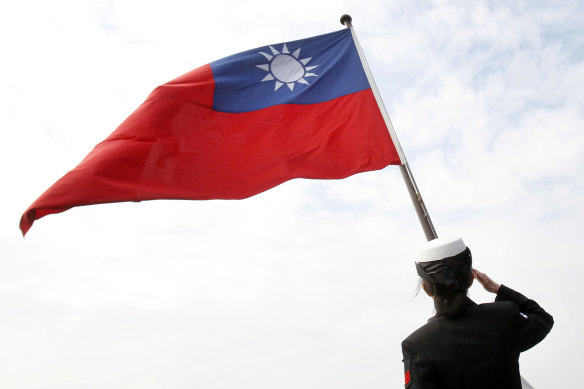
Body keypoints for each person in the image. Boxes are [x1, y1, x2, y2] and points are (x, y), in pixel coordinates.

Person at [401, 237, 553, 389]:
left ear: (426, 289)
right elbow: (542, 319)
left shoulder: (417, 345)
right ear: (472, 277)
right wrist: (499, 289)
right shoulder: (504, 316)